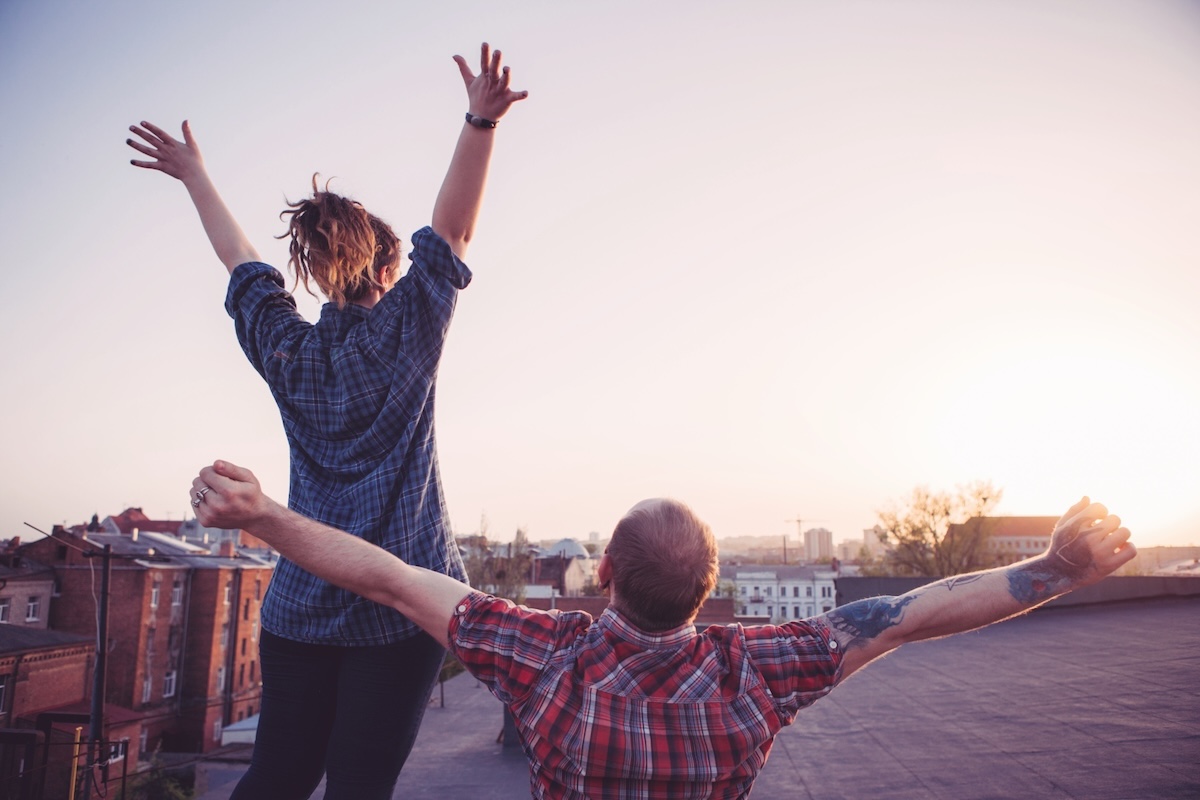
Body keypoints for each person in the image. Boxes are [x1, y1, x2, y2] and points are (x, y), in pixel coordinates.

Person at [189, 459, 1136, 800]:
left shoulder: (542, 656)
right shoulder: (761, 669)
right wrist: (1056, 568)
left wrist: (263, 515)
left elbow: (389, 579)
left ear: (603, 572)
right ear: (709, 587)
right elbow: (915, 615)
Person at [129, 44, 528, 800]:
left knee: (276, 776)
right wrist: (480, 122)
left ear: (315, 274)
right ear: (387, 270)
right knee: (359, 785)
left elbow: (242, 262)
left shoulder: (289, 350)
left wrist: (194, 175)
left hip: (299, 611)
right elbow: (452, 234)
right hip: (400, 612)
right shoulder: (409, 330)